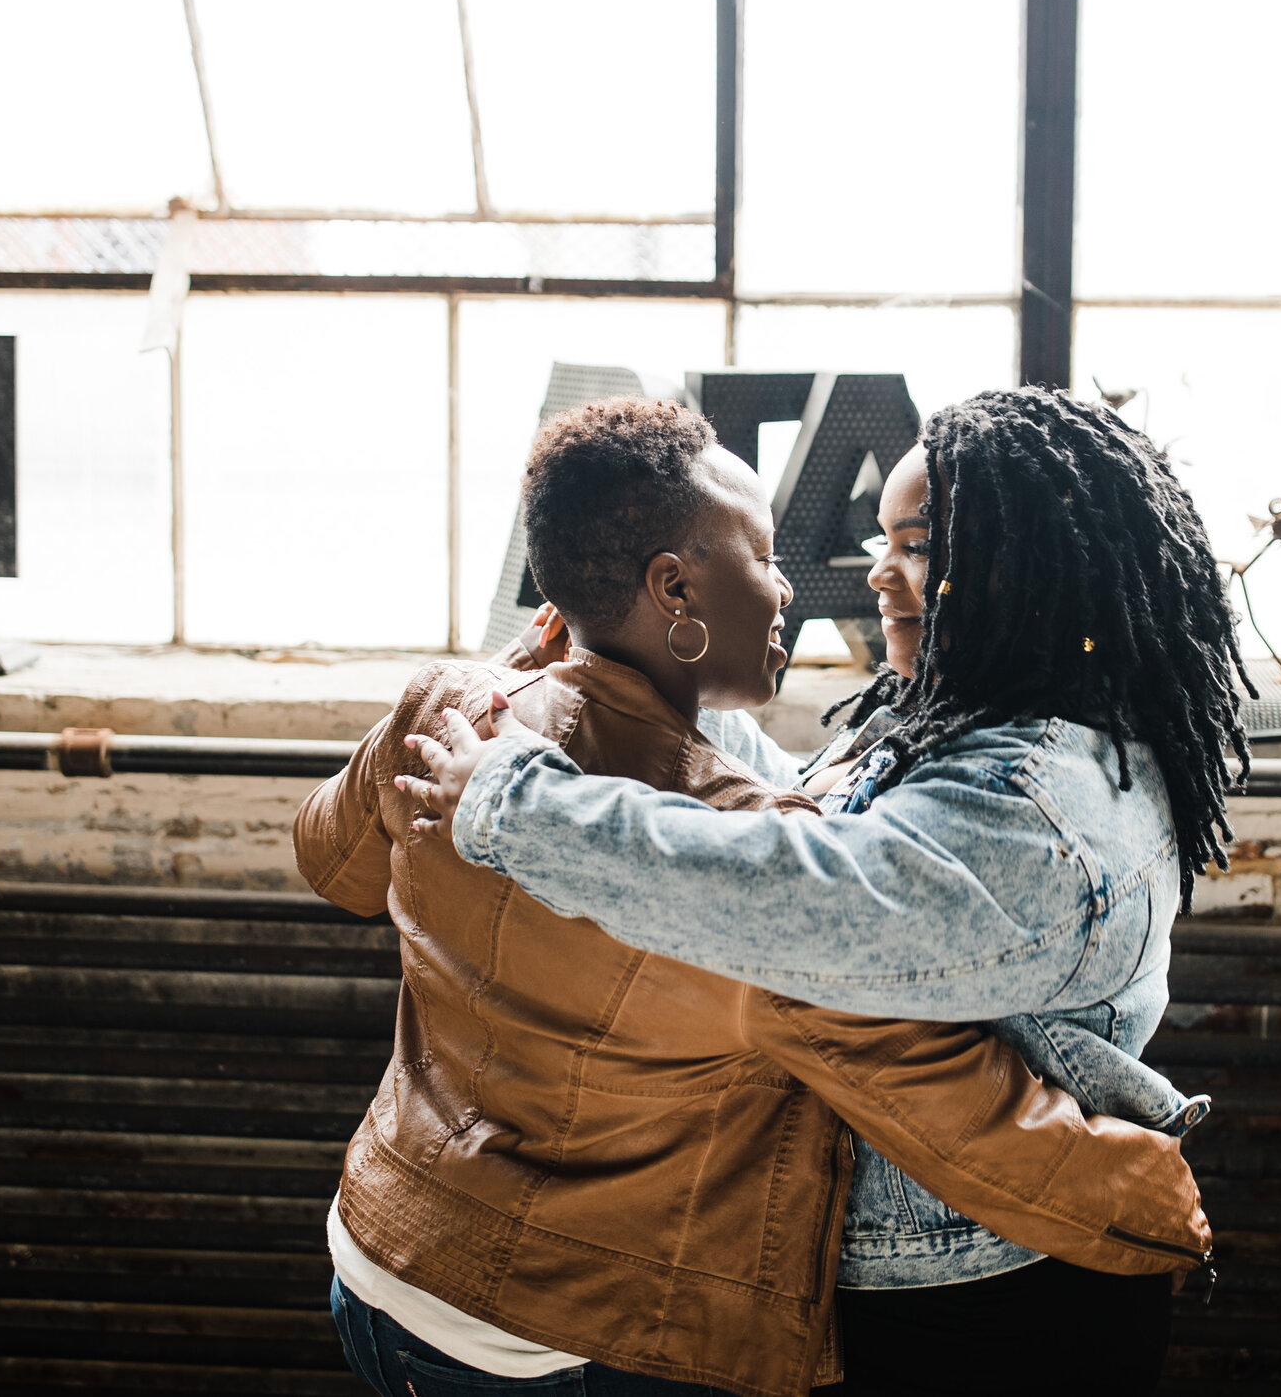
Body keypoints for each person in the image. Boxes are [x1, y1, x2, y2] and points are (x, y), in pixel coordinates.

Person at [303, 396, 1212, 1397]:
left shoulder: (460, 714)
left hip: (389, 1247)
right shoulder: (829, 784)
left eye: (913, 545)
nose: (842, 576)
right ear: (675, 589)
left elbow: (330, 858)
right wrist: (1122, 1188)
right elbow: (888, 1051)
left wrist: (526, 710)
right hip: (571, 1332)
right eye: (774, 553)